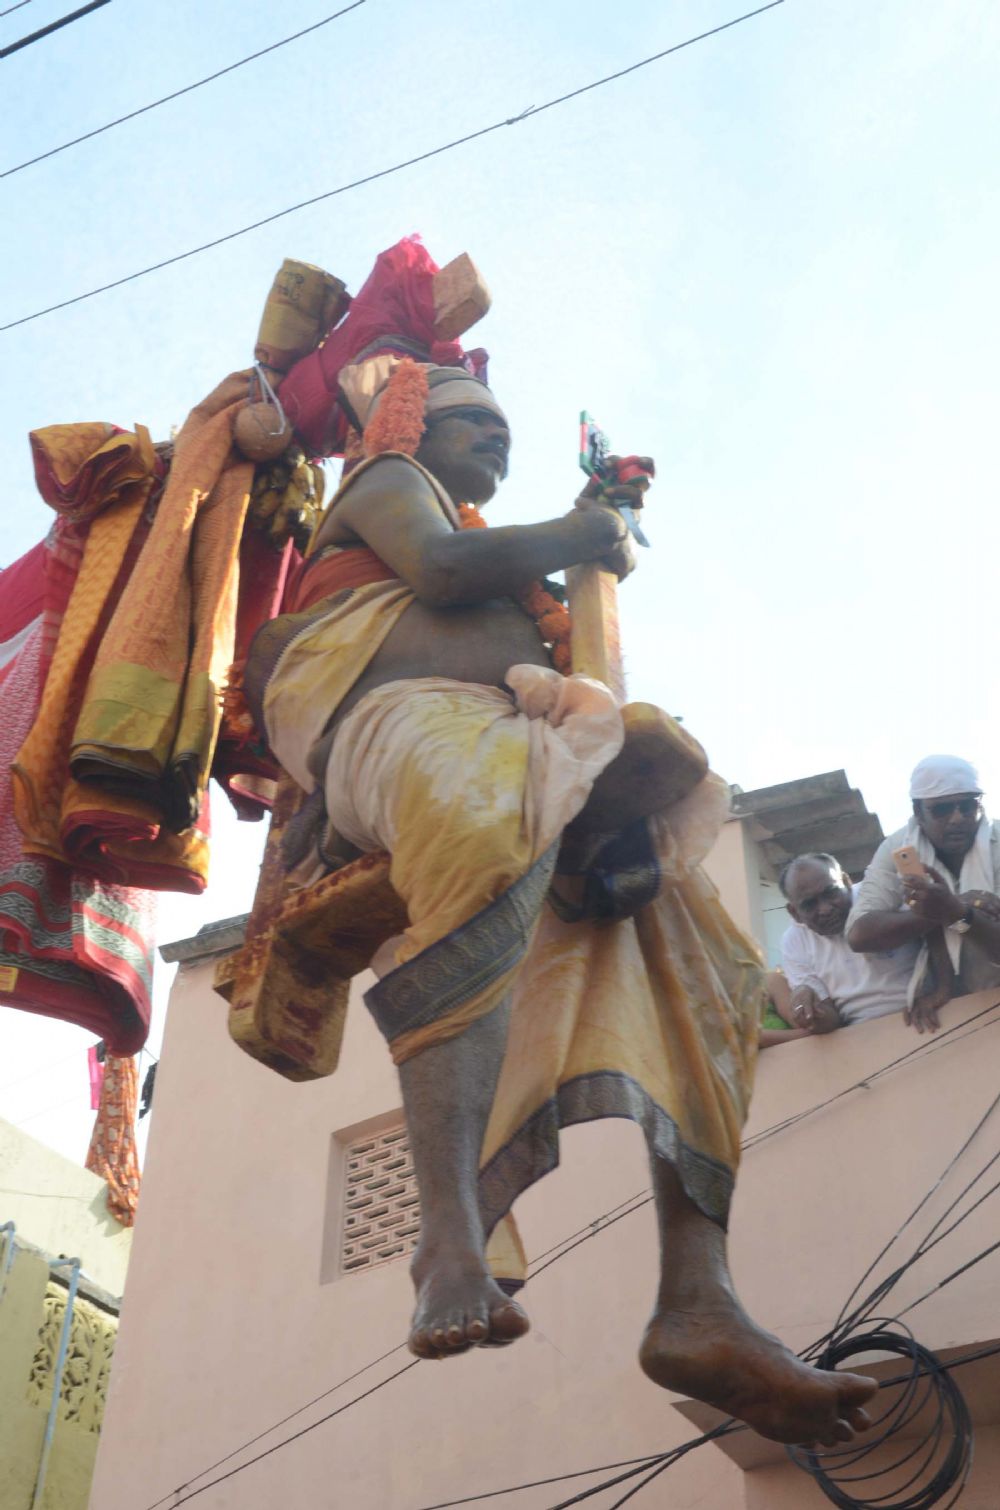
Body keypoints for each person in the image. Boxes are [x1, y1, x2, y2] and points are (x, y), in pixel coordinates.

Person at [246, 358, 875, 1446]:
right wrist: (579, 533)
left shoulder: (504, 552)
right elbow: (442, 570)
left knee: (697, 945)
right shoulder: (388, 484)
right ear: (413, 425)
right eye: (474, 420)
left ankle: (700, 1301)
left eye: (504, 426)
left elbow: (497, 576)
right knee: (479, 809)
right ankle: (448, 1237)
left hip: (518, 742)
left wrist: (583, 560)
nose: (496, 435)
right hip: (395, 731)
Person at [847, 756, 1000, 1033]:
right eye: (942, 809)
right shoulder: (898, 848)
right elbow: (860, 935)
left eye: (967, 806)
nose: (958, 818)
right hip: (948, 1008)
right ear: (918, 812)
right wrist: (947, 910)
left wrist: (955, 912)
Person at [779, 853, 916, 1033]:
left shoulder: (880, 895)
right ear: (794, 912)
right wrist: (811, 1013)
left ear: (846, 882)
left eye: (831, 893)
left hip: (925, 1014)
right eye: (809, 904)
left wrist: (942, 990)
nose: (825, 909)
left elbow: (934, 926)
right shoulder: (794, 941)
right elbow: (831, 1020)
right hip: (860, 1033)